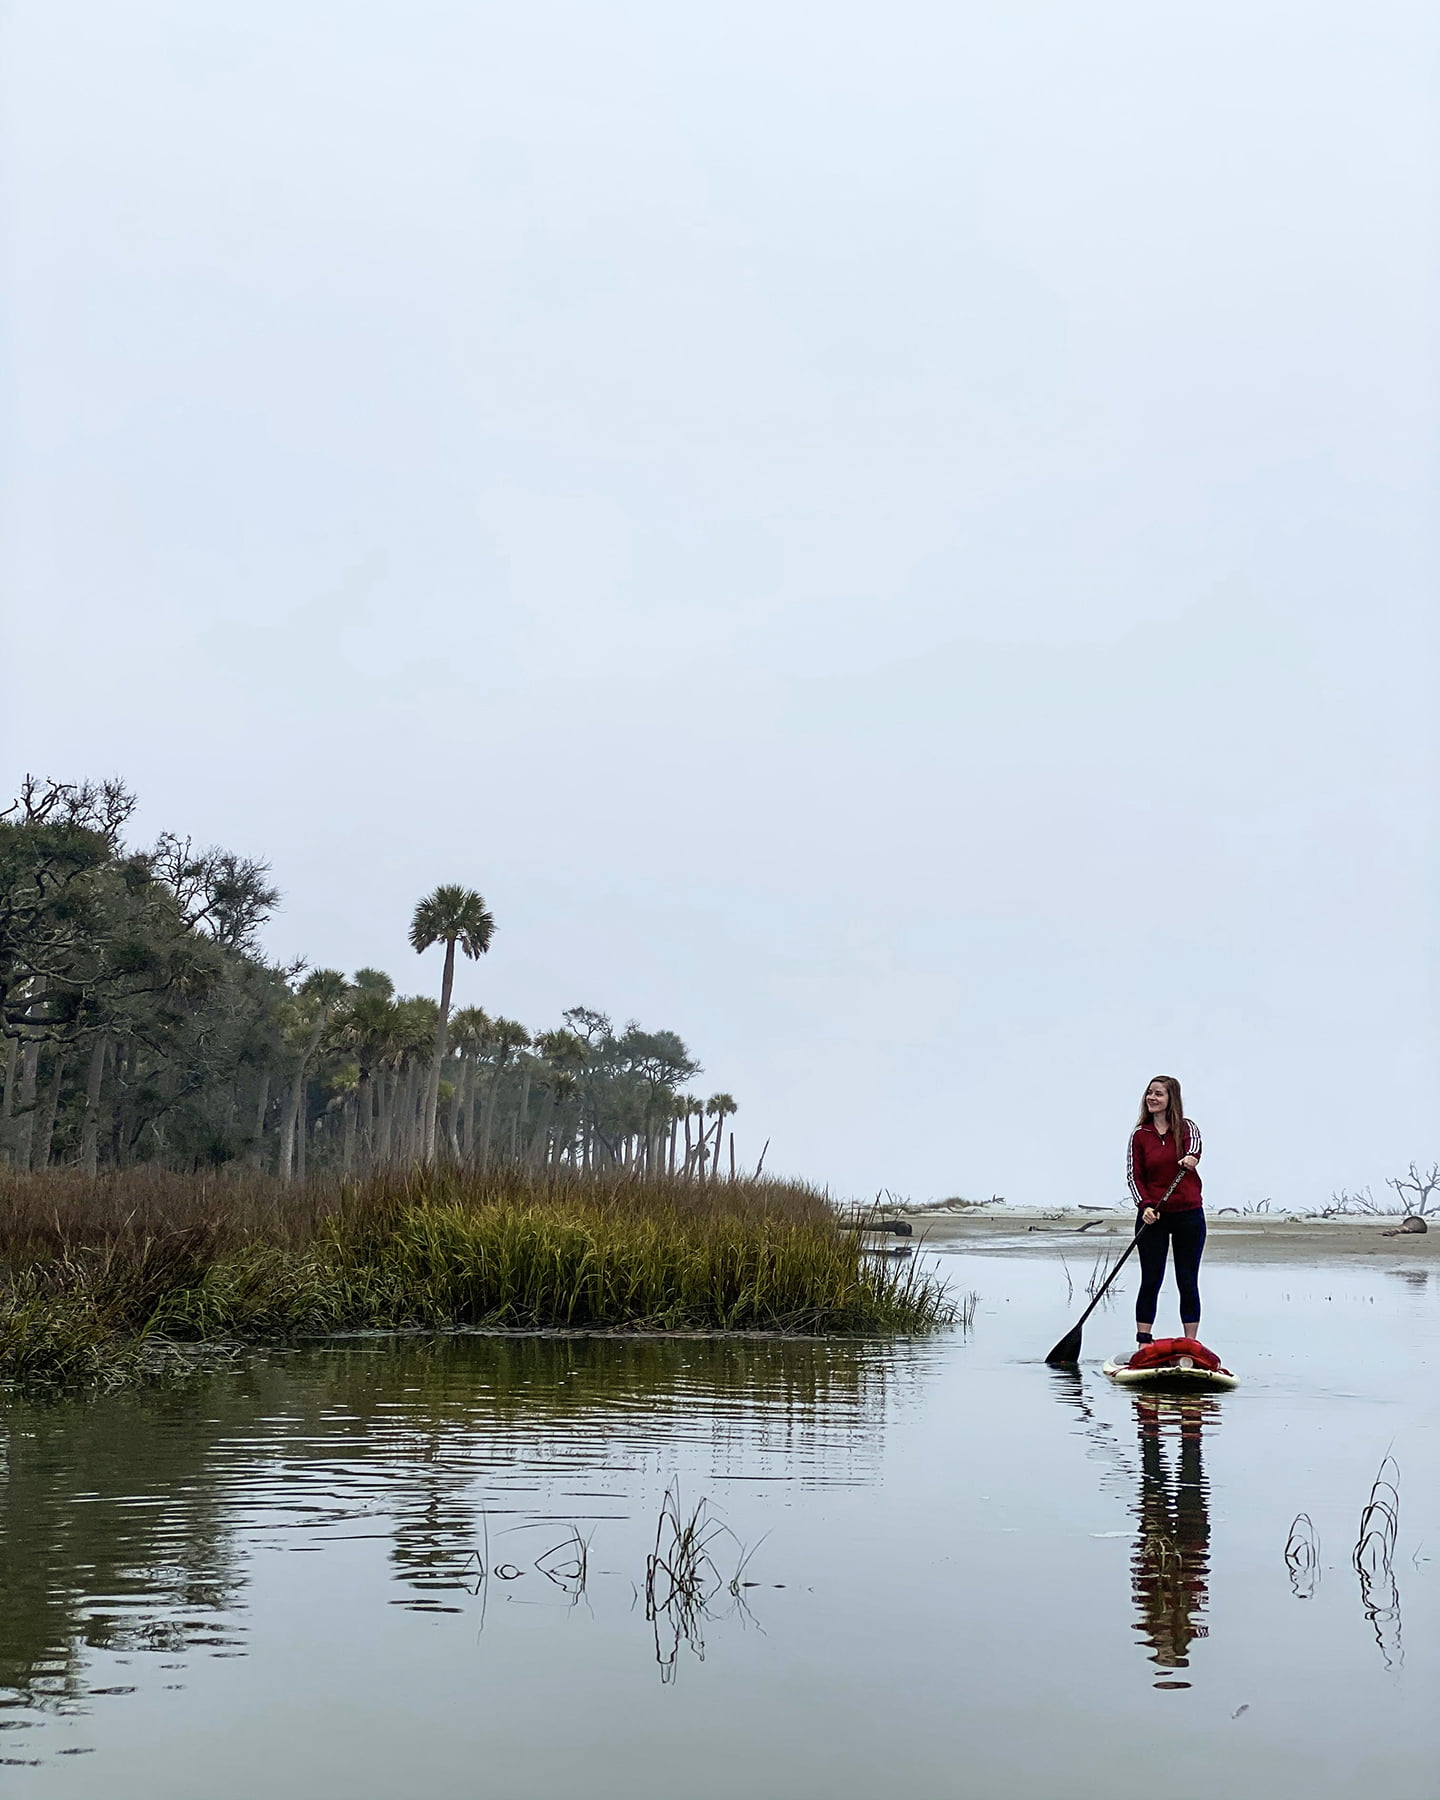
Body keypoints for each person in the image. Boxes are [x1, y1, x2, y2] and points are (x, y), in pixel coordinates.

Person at [1127, 1075, 1205, 1346]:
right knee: (1151, 1279)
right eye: (1149, 1093)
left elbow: (1195, 1147)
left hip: (1188, 1215)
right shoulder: (1140, 1135)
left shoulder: (1186, 1128)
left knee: (1187, 1280)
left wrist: (1191, 1158)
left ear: (1171, 1098)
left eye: (1158, 1094)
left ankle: (1190, 1344)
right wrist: (1145, 1206)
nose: (1152, 1098)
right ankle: (1144, 1342)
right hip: (1153, 1217)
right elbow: (1134, 1176)